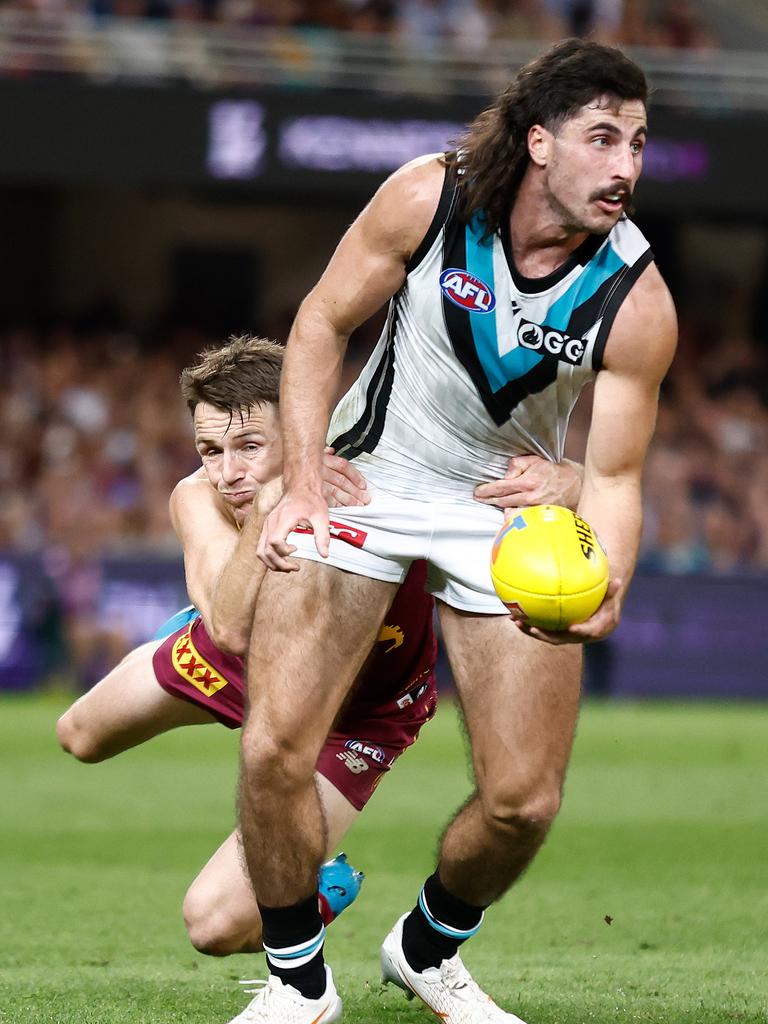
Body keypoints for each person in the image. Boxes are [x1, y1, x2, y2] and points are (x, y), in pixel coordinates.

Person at [238, 39, 677, 1024]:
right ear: (538, 144)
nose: (626, 166)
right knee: (273, 749)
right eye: (602, 138)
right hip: (366, 483)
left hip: (502, 520)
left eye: (640, 144)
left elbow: (612, 470)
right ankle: (298, 984)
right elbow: (318, 324)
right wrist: (303, 483)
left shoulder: (636, 297)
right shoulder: (425, 200)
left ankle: (426, 947)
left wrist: (610, 567)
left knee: (525, 803)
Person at [56, 335, 580, 966]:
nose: (227, 473)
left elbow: (513, 484)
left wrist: (570, 478)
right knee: (78, 736)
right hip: (239, 658)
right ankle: (170, 645)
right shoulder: (199, 497)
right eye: (211, 450)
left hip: (362, 710)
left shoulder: (381, 473)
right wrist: (275, 499)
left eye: (249, 447)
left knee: (214, 926)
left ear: (309, 426)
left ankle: (320, 888)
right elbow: (228, 628)